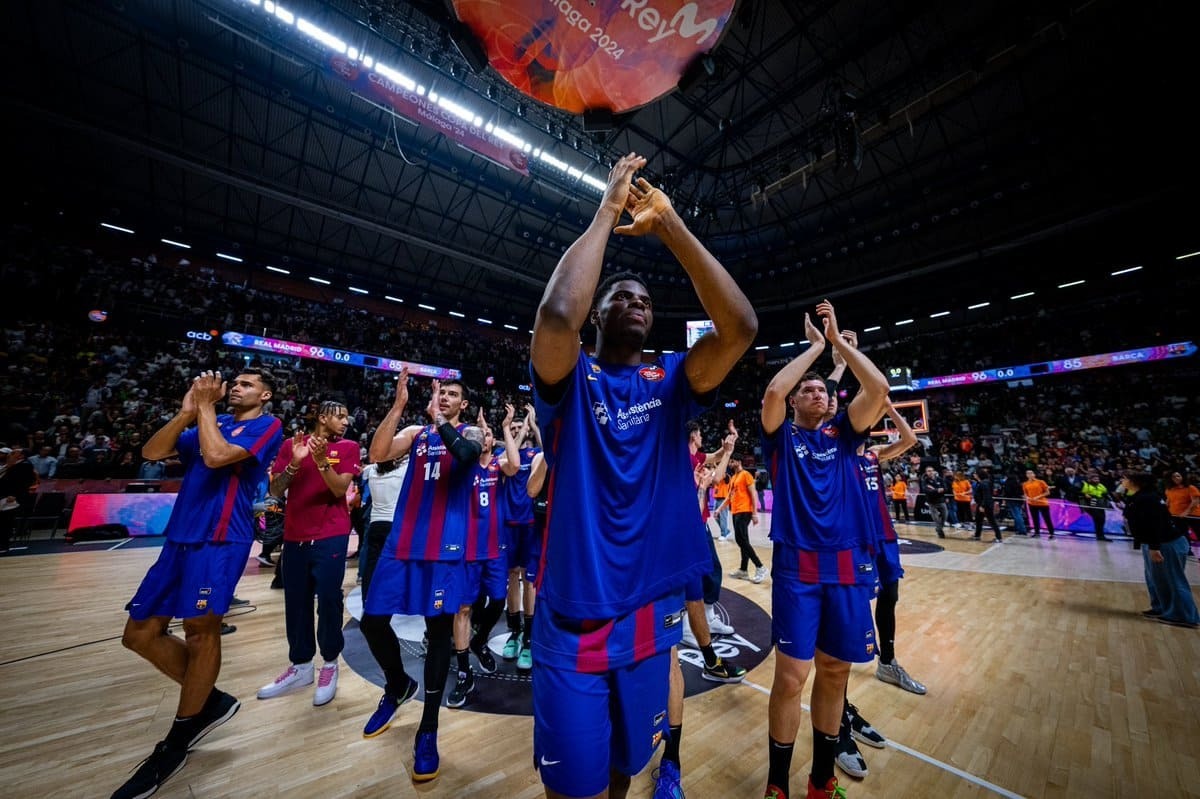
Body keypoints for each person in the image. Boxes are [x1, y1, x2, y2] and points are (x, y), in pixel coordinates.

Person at [529, 152, 756, 799]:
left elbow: (740, 326)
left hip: (651, 613)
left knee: (625, 771)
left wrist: (670, 225)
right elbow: (556, 315)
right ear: (598, 316)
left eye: (645, 301)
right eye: (621, 297)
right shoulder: (570, 378)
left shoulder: (673, 379)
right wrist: (608, 209)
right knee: (574, 789)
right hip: (574, 613)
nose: (636, 304)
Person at [110, 369, 282, 799]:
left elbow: (219, 456)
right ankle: (209, 701)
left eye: (247, 384)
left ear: (266, 395)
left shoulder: (268, 425)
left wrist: (204, 407)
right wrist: (187, 412)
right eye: (234, 383)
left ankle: (178, 738)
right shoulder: (212, 418)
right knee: (138, 634)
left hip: (222, 538)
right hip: (180, 537)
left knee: (200, 631)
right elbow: (153, 452)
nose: (236, 387)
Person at [760, 302, 890, 799]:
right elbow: (774, 391)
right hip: (797, 568)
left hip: (847, 568)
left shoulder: (846, 435)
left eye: (824, 390)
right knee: (792, 677)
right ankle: (777, 785)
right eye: (809, 390)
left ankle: (821, 781)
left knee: (835, 673)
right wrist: (816, 347)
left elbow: (877, 388)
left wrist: (839, 345)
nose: (819, 394)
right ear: (796, 401)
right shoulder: (781, 436)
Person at [359, 372, 483, 783]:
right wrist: (398, 406)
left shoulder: (471, 433)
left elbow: (465, 455)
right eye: (441, 392)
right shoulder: (417, 434)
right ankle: (397, 684)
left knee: (438, 634)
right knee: (373, 621)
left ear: (463, 404)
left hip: (445, 549)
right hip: (403, 542)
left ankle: (428, 728)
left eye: (452, 394)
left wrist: (440, 420)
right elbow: (378, 453)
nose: (444, 397)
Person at [258, 400, 361, 707]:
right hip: (294, 536)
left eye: (347, 417)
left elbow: (339, 490)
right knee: (296, 602)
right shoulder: (292, 445)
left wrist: (321, 462)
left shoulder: (348, 447)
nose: (346, 422)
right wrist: (294, 462)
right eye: (340, 416)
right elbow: (275, 491)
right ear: (322, 417)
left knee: (328, 601)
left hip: (331, 535)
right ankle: (301, 666)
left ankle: (329, 664)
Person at [447, 405, 521, 708]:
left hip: (495, 548)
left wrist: (504, 428)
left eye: (488, 434)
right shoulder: (463, 465)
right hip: (467, 549)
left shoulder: (498, 466)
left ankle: (479, 640)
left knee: (499, 601)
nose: (484, 437)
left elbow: (515, 465)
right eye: (480, 434)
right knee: (463, 609)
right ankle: (464, 672)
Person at [1123, 471, 1199, 628]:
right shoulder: (1139, 496)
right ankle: (1162, 608)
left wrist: (1154, 546)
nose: (1122, 481)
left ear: (1136, 482)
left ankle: (1184, 616)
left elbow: (1154, 524)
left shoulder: (1148, 498)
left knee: (1173, 579)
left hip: (1166, 543)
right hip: (1155, 543)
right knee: (1155, 579)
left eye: (1125, 478)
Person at [498, 405, 541, 669]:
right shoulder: (504, 457)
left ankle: (529, 638)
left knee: (530, 579)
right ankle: (514, 632)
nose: (517, 430)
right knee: (512, 576)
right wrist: (519, 429)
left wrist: (532, 425)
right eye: (512, 428)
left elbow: (550, 455)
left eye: (519, 427)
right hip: (508, 523)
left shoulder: (537, 454)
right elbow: (511, 465)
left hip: (531, 523)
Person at [358, 452, 409, 598]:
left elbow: (365, 469)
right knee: (394, 564)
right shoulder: (401, 473)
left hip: (375, 524)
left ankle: (367, 598)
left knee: (371, 564)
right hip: (393, 525)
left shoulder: (371, 472)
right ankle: (393, 598)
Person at [723, 453, 767, 583]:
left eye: (732, 461)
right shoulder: (734, 477)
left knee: (740, 540)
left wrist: (754, 513)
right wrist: (719, 509)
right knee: (744, 540)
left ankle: (760, 566)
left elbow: (753, 494)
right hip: (735, 511)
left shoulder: (746, 475)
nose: (730, 464)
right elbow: (729, 496)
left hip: (745, 511)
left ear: (738, 462)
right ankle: (743, 570)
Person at [0, 447, 37, 554]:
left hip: (11, 498)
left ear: (21, 455)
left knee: (5, 522)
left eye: (13, 453)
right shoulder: (11, 465)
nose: (10, 454)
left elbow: (24, 482)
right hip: (4, 496)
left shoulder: (25, 465)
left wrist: (14, 495)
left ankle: (3, 545)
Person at [972, 470, 1002, 543]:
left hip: (986, 505)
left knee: (992, 521)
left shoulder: (984, 483)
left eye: (975, 473)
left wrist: (982, 506)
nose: (974, 474)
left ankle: (999, 537)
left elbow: (986, 496)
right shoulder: (981, 482)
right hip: (981, 504)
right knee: (978, 520)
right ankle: (977, 535)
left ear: (979, 475)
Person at [1079, 472, 1111, 541]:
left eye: (1098, 479)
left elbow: (1106, 493)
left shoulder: (1101, 485)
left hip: (1100, 505)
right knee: (1098, 520)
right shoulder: (1086, 485)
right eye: (1095, 479)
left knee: (1102, 520)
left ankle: (1101, 536)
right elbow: (1080, 493)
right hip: (1091, 505)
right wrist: (1085, 495)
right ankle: (1100, 536)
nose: (1097, 480)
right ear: (1090, 479)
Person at [1023, 470, 1054, 539]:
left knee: (1047, 518)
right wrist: (1027, 497)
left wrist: (1038, 497)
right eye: (1028, 473)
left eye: (1031, 473)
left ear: (1034, 474)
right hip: (1032, 504)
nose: (1030, 475)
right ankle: (1037, 533)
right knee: (1035, 519)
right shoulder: (1025, 484)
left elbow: (1047, 492)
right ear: (1026, 475)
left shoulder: (1041, 482)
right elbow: (1025, 494)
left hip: (1042, 503)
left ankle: (1052, 534)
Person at [919, 465, 948, 538]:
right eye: (929, 471)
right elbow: (926, 491)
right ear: (926, 472)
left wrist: (936, 490)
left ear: (934, 471)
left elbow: (945, 488)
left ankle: (938, 528)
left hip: (941, 501)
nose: (930, 472)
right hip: (932, 502)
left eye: (931, 471)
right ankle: (940, 532)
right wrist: (937, 490)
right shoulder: (925, 481)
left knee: (945, 516)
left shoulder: (940, 479)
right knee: (936, 519)